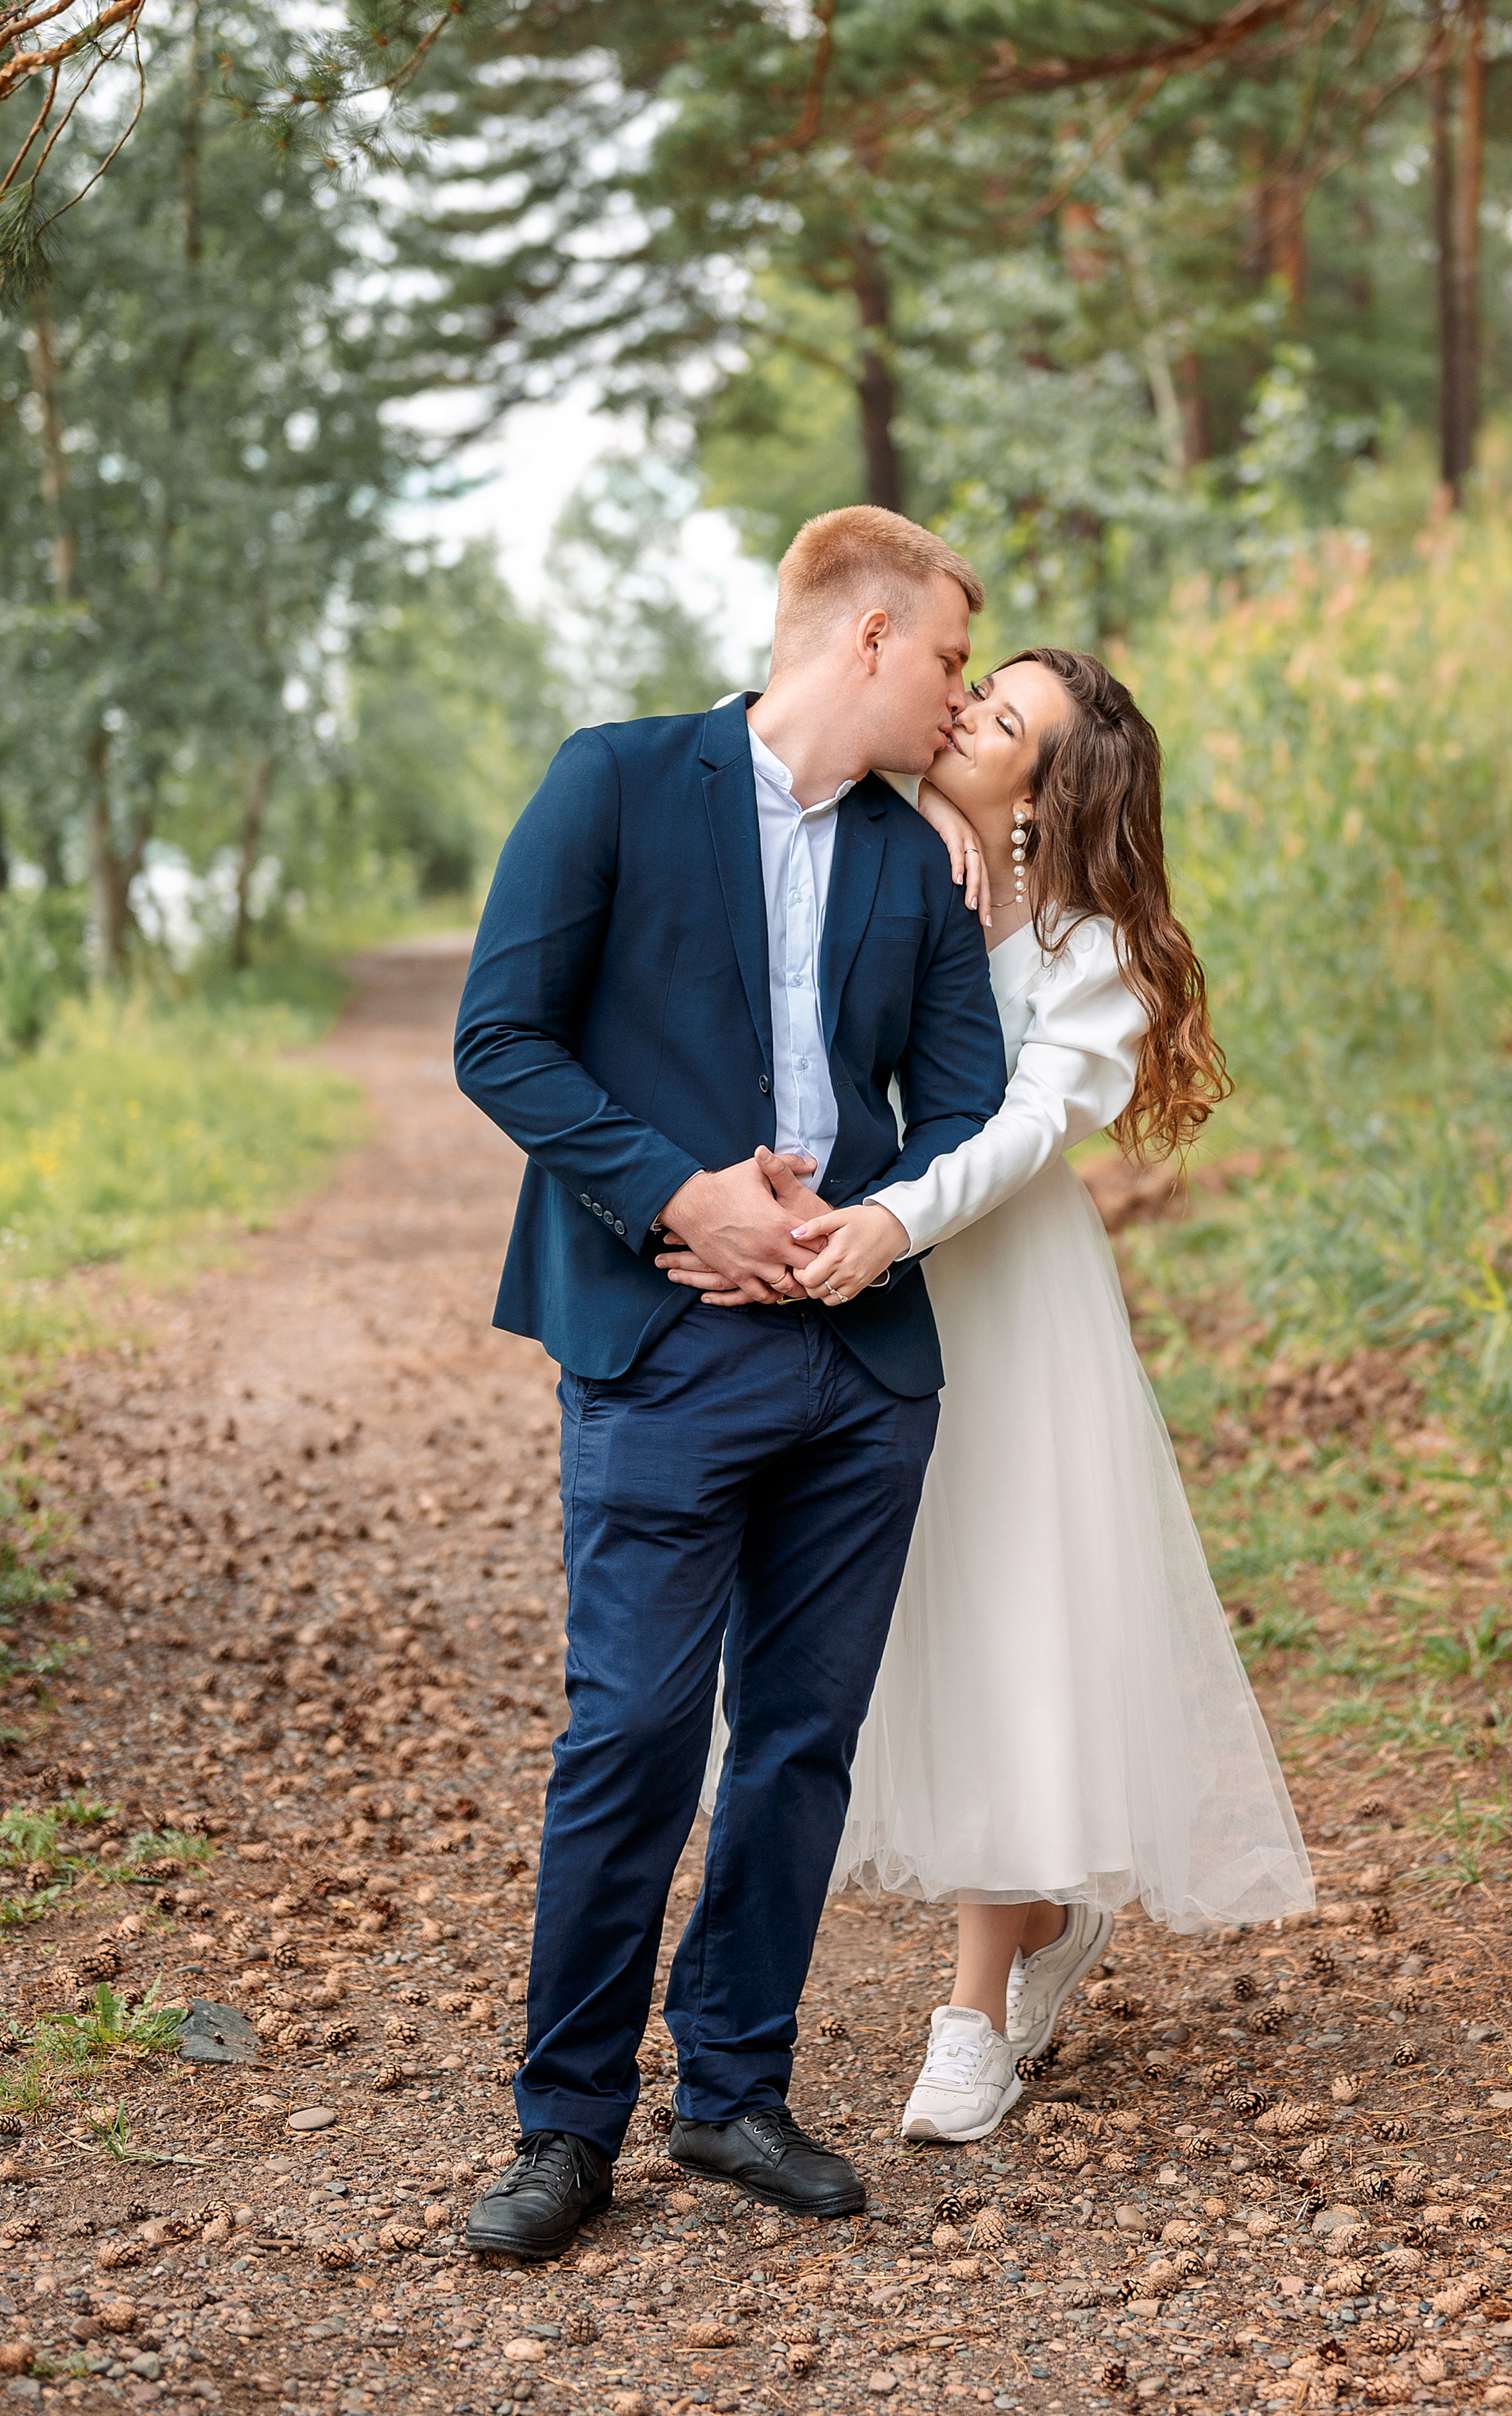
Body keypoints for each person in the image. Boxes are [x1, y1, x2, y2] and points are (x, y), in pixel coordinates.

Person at [659, 649, 1312, 2148]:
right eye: (975, 688)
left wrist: (891, 1224)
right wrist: (919, 801)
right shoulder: (898, 854)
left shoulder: (1093, 951)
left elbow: (1023, 1132)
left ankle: (973, 2014)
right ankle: (1041, 1919)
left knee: (1010, 1618)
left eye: (999, 719)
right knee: (892, 1617)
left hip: (1001, 1293)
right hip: (859, 1281)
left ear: (1043, 794)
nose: (959, 710)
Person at [451, 508, 1009, 2255]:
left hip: (859, 1357)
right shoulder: (614, 781)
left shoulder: (917, 862)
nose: (960, 695)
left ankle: (734, 2089)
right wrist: (684, 1196)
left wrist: (862, 1225)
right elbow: (500, 1039)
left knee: (796, 1744)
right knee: (629, 1730)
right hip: (663, 1336)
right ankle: (566, 2127)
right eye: (947, 658)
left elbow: (966, 1103)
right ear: (865, 634)